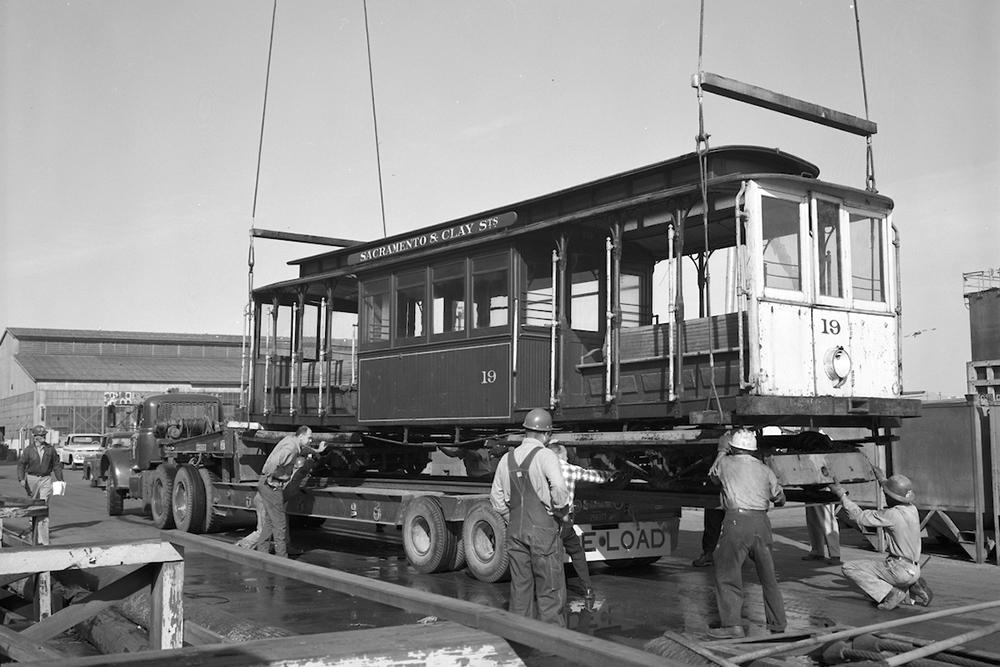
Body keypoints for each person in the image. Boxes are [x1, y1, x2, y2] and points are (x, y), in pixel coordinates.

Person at [490, 408, 570, 626]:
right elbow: (559, 489)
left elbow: (496, 499)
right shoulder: (546, 455)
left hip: (515, 530)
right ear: (545, 434)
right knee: (550, 588)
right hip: (543, 530)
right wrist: (562, 513)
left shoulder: (506, 459)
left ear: (526, 432)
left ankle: (520, 639)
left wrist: (511, 518)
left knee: (520, 588)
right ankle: (552, 644)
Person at [708, 428, 787, 639]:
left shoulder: (725, 464)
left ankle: (732, 625)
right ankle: (778, 624)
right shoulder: (764, 469)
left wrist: (721, 451)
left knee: (727, 574)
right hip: (762, 523)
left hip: (737, 522)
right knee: (768, 577)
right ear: (753, 450)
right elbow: (779, 498)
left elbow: (713, 476)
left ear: (734, 447)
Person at [830, 466, 930, 609]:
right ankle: (912, 586)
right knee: (886, 572)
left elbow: (858, 516)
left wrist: (842, 495)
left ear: (891, 497)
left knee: (849, 568)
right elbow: (895, 492)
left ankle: (891, 594)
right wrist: (882, 479)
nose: (884, 496)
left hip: (899, 569)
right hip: (914, 568)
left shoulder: (891, 515)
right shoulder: (912, 509)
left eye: (886, 494)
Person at [547, 441, 622, 610]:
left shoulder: (542, 471)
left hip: (548, 521)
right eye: (565, 455)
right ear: (559, 454)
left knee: (553, 555)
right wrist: (611, 473)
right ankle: (587, 588)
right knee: (577, 552)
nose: (568, 457)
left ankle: (555, 591)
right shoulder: (570, 469)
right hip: (566, 520)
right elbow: (593, 476)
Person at [256, 426, 326, 558]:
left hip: (265, 483)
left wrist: (318, 450)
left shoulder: (292, 441)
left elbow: (304, 449)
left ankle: (262, 551)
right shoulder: (291, 448)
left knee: (271, 520)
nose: (311, 440)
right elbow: (273, 462)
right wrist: (271, 480)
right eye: (309, 438)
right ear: (301, 437)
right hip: (271, 485)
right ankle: (282, 557)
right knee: (280, 523)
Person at [693, 432, 732, 567]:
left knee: (730, 524)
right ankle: (708, 553)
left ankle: (737, 555)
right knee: (713, 519)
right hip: (720, 490)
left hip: (731, 491)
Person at [17, 425, 64, 502]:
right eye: (41, 435)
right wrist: (21, 479)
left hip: (46, 479)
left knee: (43, 501)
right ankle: (33, 514)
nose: (44, 436)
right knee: (32, 501)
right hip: (32, 479)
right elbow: (21, 465)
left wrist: (60, 479)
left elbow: (56, 465)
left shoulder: (50, 449)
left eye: (44, 435)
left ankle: (43, 513)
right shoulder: (28, 450)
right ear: (35, 436)